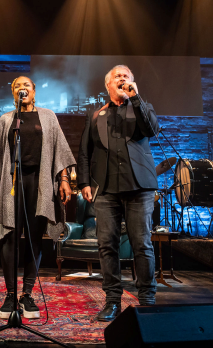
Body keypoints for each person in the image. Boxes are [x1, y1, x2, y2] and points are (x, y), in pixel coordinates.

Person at [0, 76, 75, 319]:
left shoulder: (48, 116)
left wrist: (64, 180)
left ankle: (27, 294)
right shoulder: (7, 119)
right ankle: (11, 294)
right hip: (12, 182)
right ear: (13, 93)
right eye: (16, 86)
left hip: (40, 180)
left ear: (34, 91)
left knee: (34, 235)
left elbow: (60, 150)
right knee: (10, 235)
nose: (21, 89)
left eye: (26, 85)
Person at [77, 65, 160, 321]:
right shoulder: (96, 116)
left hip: (139, 187)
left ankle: (147, 299)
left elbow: (152, 130)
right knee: (107, 246)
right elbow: (84, 152)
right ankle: (112, 300)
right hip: (107, 190)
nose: (122, 79)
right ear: (108, 85)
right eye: (118, 77)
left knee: (142, 244)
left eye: (127, 76)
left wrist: (136, 98)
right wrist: (84, 183)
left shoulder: (142, 108)